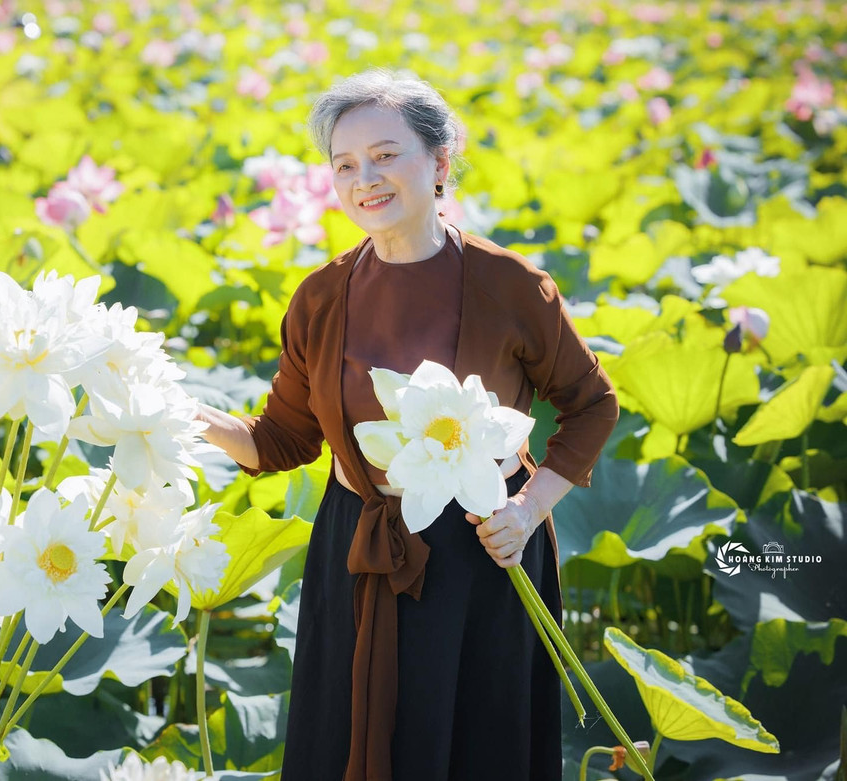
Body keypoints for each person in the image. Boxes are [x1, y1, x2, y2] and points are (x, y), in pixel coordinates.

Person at [195, 68, 619, 781]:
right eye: (346, 164)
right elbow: (283, 440)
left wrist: (527, 507)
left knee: (475, 750)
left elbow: (592, 404)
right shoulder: (320, 296)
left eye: (386, 155)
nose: (366, 178)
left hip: (485, 550)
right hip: (357, 549)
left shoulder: (510, 284)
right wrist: (194, 421)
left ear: (440, 160)